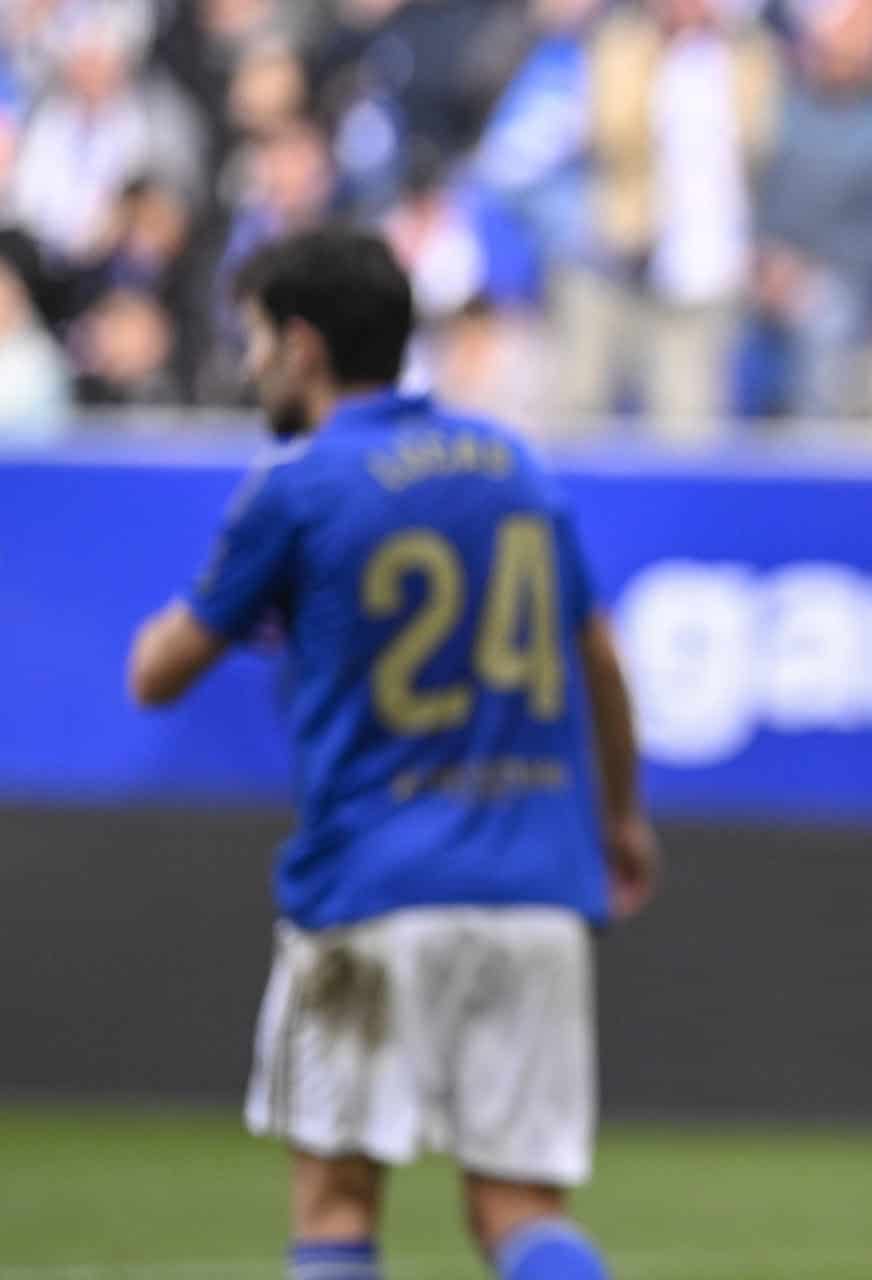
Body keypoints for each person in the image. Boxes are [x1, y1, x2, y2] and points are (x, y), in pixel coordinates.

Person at [124, 228, 660, 1280]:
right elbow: (600, 655)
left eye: (256, 339)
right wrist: (622, 816)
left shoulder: (298, 482)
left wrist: (244, 595)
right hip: (534, 886)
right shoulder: (512, 461)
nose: (249, 365)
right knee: (518, 1205)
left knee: (334, 1198)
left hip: (372, 888)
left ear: (305, 345)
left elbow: (159, 673)